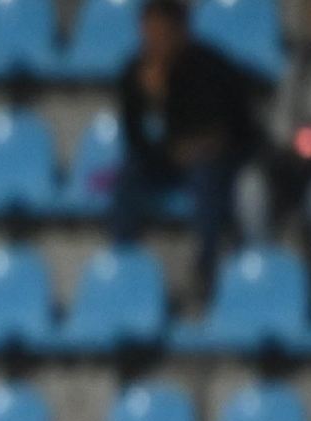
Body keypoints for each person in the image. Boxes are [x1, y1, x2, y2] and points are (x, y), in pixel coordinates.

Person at [112, 0, 258, 298]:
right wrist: (156, 101)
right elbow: (136, 137)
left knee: (207, 178)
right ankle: (123, 266)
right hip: (163, 160)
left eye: (161, 32)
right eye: (148, 32)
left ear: (180, 32)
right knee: (128, 176)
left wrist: (193, 147)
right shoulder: (135, 73)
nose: (154, 40)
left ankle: (206, 268)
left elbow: (228, 130)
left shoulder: (210, 67)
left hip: (212, 161)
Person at [236, 0, 311, 269]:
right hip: (293, 159)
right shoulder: (300, 63)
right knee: (250, 185)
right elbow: (281, 112)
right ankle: (265, 266)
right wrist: (293, 138)